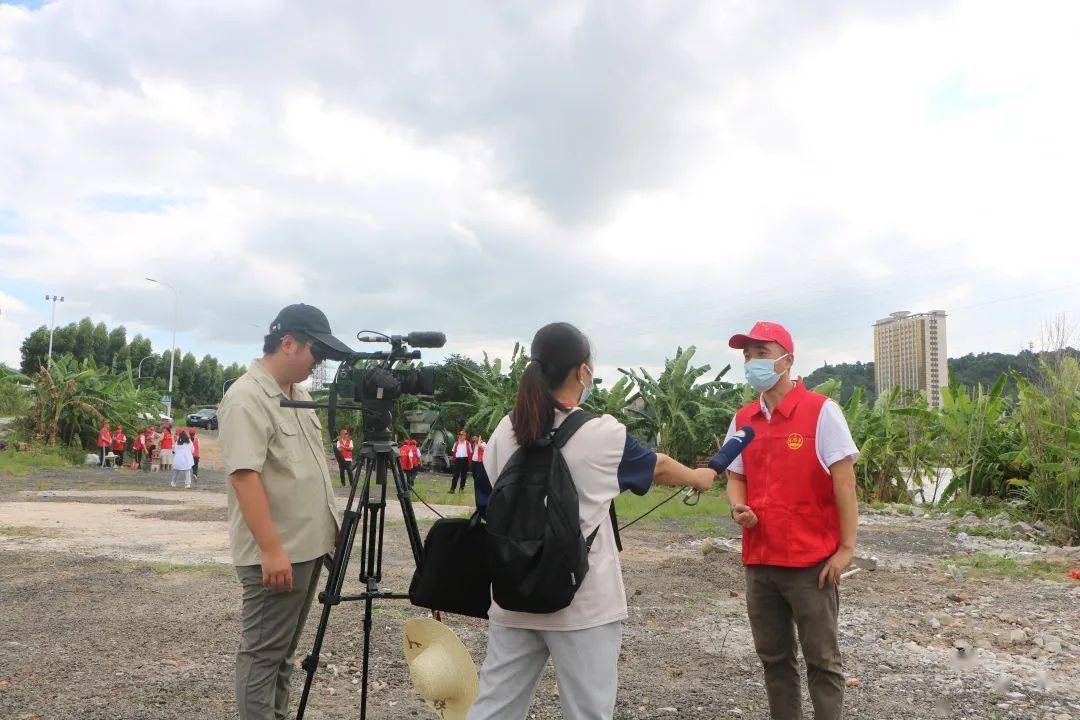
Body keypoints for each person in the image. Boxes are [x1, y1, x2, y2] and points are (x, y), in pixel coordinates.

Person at [467, 322, 716, 720]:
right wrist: (701, 477)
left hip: (513, 596)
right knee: (588, 712)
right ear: (582, 371)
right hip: (582, 603)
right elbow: (661, 467)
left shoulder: (505, 429)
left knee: (494, 707)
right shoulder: (602, 433)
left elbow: (487, 500)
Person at [218, 303, 349, 720]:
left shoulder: (299, 395)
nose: (320, 362)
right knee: (262, 656)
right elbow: (244, 477)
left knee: (283, 656)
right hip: (278, 553)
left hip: (306, 547)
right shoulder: (246, 397)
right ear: (287, 342)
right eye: (317, 352)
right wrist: (272, 550)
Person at [724, 322, 859, 720]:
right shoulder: (743, 418)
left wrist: (846, 549)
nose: (753, 363)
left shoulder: (821, 412)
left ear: (787, 359)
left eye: (762, 353)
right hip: (760, 564)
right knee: (775, 661)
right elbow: (735, 477)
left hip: (810, 566)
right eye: (748, 356)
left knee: (822, 662)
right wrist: (738, 508)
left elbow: (845, 484)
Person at [469, 433, 491, 514]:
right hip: (474, 462)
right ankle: (476, 486)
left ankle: (479, 488)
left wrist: (479, 441)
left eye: (475, 438)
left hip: (480, 462)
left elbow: (481, 447)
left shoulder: (483, 444)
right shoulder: (474, 444)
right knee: (474, 476)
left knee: (478, 477)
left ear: (479, 438)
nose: (474, 439)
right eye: (473, 438)